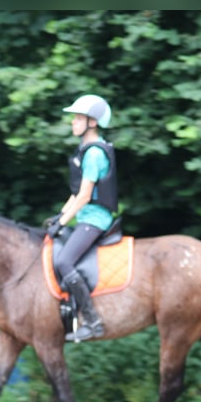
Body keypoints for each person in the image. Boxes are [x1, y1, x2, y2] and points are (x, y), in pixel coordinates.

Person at [49, 94, 118, 342]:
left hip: (95, 219)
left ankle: (92, 321)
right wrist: (59, 216)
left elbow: (85, 196)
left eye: (78, 118)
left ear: (92, 122)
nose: (73, 122)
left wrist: (63, 221)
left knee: (64, 262)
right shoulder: (86, 151)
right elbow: (75, 193)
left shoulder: (94, 154)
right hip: (85, 216)